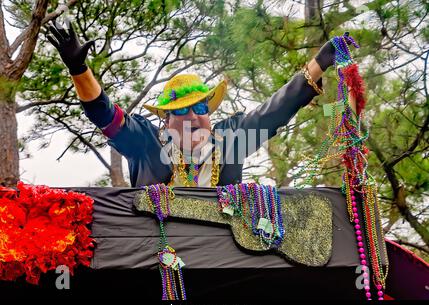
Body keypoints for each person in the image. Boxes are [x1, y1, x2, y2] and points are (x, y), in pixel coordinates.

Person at [47, 19, 346, 188]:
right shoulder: (146, 142)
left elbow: (273, 112)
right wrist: (79, 69)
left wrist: (319, 63)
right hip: (157, 263)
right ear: (165, 119)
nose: (191, 115)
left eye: (200, 108)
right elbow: (104, 113)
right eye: (180, 110)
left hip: (221, 264)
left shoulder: (231, 140)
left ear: (209, 114)